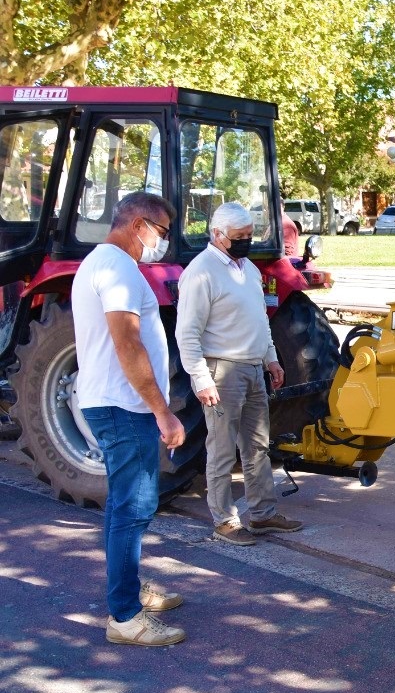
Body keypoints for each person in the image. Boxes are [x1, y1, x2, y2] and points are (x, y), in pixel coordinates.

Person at [72, 191, 187, 646]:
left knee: (126, 505)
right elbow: (128, 344)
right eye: (161, 232)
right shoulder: (118, 268)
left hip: (116, 402)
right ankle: (124, 617)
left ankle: (129, 590)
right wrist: (163, 411)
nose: (163, 242)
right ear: (138, 224)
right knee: (134, 506)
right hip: (124, 406)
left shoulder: (101, 263)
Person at [176, 202, 301, 546]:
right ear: (217, 234)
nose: (246, 241)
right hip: (222, 370)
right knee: (221, 449)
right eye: (239, 236)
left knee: (257, 445)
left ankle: (262, 514)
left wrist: (271, 358)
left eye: (249, 234)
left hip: (252, 367)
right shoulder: (201, 272)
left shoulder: (247, 269)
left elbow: (259, 319)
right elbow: (187, 333)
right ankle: (225, 521)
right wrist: (201, 378)